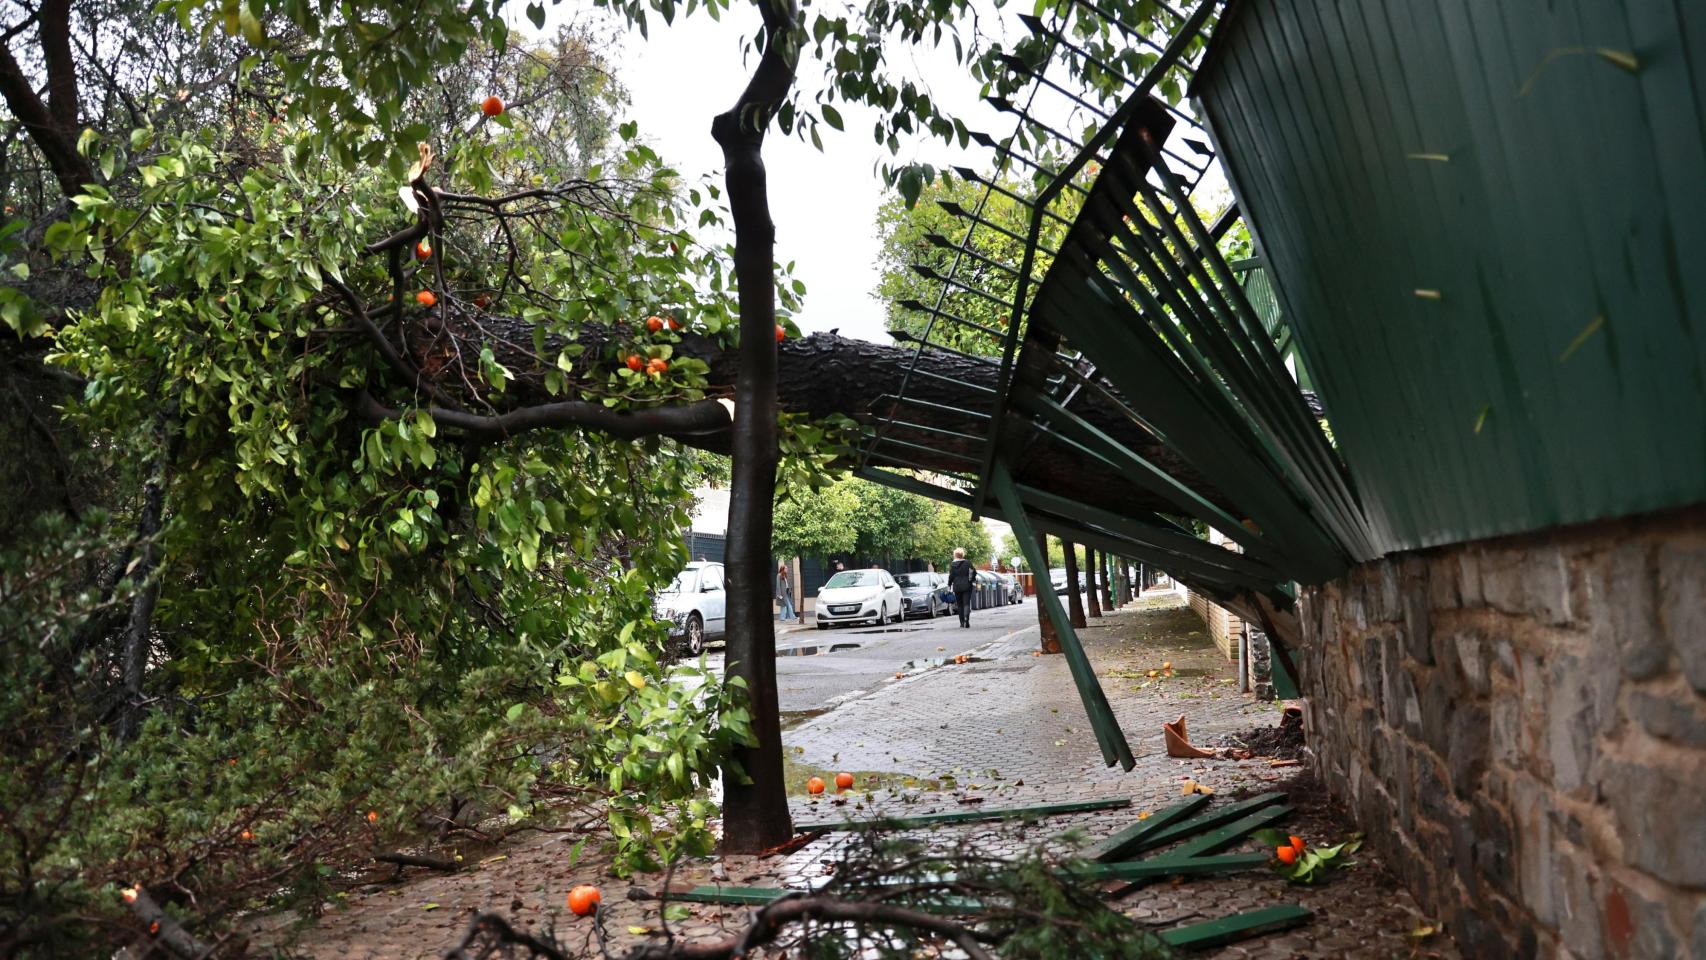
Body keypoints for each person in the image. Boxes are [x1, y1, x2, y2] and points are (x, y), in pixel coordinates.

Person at [948, 547, 977, 628]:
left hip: (957, 586)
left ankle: (961, 622)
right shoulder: (967, 563)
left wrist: (949, 584)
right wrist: (971, 580)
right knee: (966, 603)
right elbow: (974, 572)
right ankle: (966, 619)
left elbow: (951, 576)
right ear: (962, 555)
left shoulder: (953, 564)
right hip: (967, 585)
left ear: (955, 555)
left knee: (960, 605)